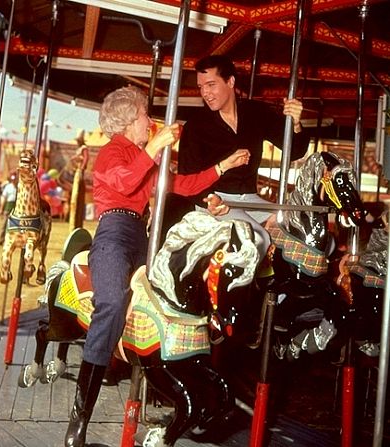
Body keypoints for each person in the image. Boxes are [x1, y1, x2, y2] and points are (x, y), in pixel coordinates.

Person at [64, 85, 247, 447]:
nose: (150, 121)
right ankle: (79, 417)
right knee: (113, 303)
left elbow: (181, 184)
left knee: (175, 296)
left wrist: (223, 165)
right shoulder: (112, 153)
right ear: (130, 120)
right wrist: (154, 147)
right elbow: (123, 180)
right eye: (146, 116)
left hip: (142, 235)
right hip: (114, 233)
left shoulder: (141, 156)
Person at [177, 55, 311, 261]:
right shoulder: (195, 126)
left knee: (297, 233)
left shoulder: (255, 113)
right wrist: (210, 199)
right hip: (213, 201)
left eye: (211, 85)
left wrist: (295, 124)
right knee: (257, 239)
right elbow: (186, 176)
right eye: (201, 86)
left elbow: (294, 151)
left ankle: (278, 293)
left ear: (230, 82)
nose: (205, 93)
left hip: (249, 199)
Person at [0, 173, 17, 245]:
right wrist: (1, 208)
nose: (14, 180)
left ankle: (12, 240)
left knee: (14, 226)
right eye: (13, 179)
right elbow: (3, 198)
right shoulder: (8, 187)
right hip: (8, 207)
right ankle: (1, 240)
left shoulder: (19, 187)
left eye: (15, 179)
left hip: (16, 208)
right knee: (4, 224)